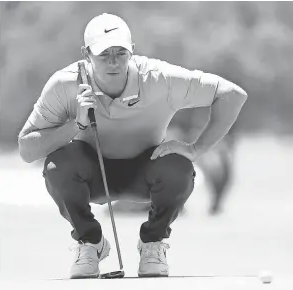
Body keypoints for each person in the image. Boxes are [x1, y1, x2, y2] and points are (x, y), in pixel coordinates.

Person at [18, 13, 248, 278]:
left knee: (179, 167)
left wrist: (196, 149)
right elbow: (27, 150)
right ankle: (90, 243)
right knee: (58, 165)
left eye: (121, 53)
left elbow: (232, 95)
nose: (114, 62)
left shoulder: (160, 78)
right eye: (104, 54)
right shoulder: (64, 84)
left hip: (145, 172)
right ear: (86, 54)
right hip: (92, 174)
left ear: (133, 51)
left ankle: (153, 243)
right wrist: (76, 124)